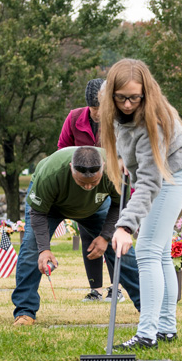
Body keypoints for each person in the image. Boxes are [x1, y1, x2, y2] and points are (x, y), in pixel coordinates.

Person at [102, 58, 182, 350]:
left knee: (147, 250)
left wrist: (124, 227)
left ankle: (147, 333)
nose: (128, 104)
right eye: (121, 98)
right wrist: (124, 160)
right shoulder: (111, 102)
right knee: (159, 253)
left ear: (146, 92)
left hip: (175, 173)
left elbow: (149, 183)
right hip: (158, 172)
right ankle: (166, 328)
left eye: (135, 97)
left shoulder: (152, 121)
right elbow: (124, 141)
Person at [11, 146, 141, 326]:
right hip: (50, 208)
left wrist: (105, 237)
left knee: (121, 248)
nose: (88, 187)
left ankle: (146, 307)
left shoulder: (115, 171)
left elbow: (119, 206)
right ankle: (25, 312)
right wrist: (44, 250)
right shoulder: (50, 174)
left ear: (103, 167)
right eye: (82, 183)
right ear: (71, 167)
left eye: (93, 183)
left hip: (96, 208)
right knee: (31, 250)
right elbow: (38, 214)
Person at [57, 78, 122, 303]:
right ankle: (95, 288)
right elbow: (62, 149)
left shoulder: (118, 122)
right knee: (87, 235)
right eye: (93, 108)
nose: (96, 113)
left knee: (111, 234)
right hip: (83, 186)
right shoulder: (74, 118)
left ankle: (117, 287)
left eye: (100, 108)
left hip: (111, 185)